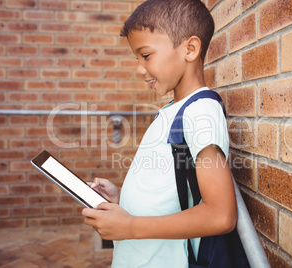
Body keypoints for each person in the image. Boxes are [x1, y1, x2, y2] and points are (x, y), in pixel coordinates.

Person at [82, 0, 237, 267]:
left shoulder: (201, 112)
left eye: (146, 55)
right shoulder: (172, 110)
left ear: (190, 49)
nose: (139, 69)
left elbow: (221, 215)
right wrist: (121, 199)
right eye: (137, 58)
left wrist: (129, 227)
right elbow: (175, 194)